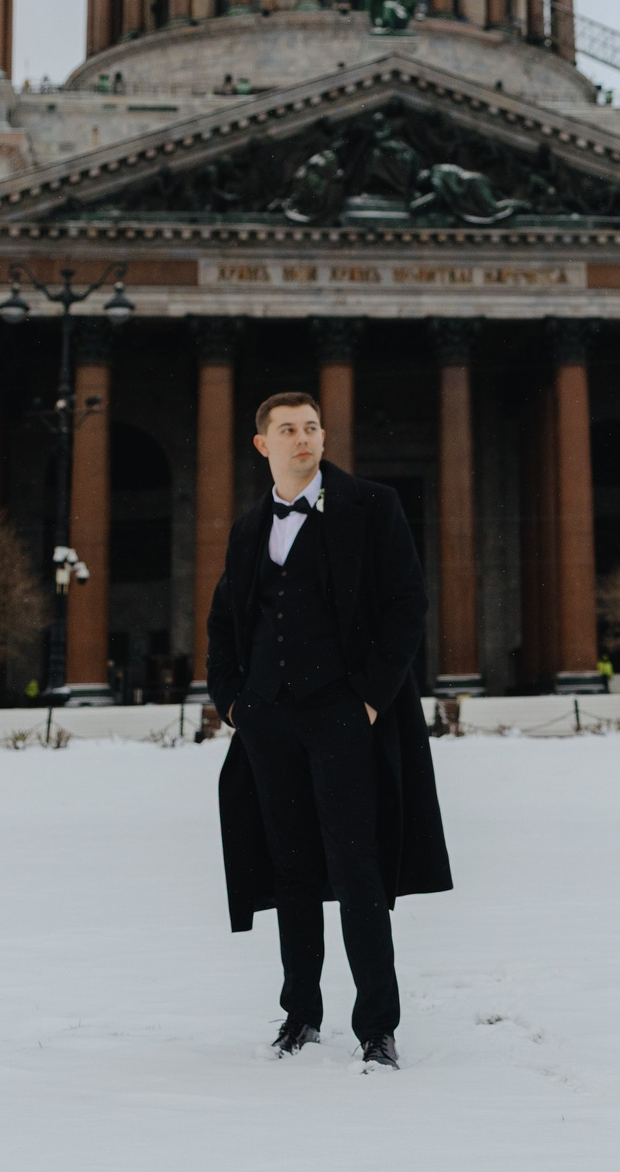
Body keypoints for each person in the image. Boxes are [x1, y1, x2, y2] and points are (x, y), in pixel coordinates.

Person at [206, 391, 451, 1070]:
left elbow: (407, 604)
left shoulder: (372, 507)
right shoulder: (252, 526)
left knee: (356, 867)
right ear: (263, 445)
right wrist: (233, 701)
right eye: (287, 430)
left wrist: (370, 699)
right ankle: (300, 1015)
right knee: (290, 872)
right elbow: (228, 620)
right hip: (268, 719)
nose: (303, 438)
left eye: (311, 427)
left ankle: (377, 1024)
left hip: (343, 714)